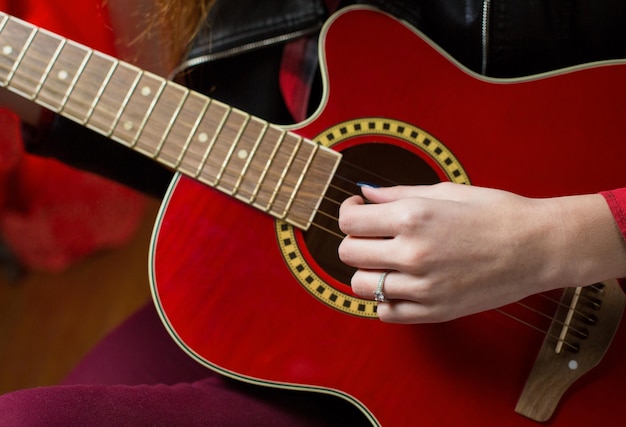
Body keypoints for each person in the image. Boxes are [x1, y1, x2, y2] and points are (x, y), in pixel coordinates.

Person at [1, 0, 625, 425]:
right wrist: (44, 93)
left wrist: (553, 243)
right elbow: (255, 164)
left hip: (536, 359)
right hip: (316, 325)